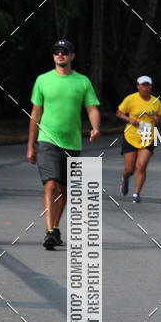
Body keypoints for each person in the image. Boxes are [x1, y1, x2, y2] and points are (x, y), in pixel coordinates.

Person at [27, 40, 100, 250]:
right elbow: (35, 114)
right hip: (47, 140)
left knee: (64, 190)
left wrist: (95, 127)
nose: (60, 55)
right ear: (53, 56)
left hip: (72, 143)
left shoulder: (82, 82)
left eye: (65, 52)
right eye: (57, 52)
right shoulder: (43, 80)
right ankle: (49, 231)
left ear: (72, 56)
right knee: (51, 184)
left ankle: (56, 227)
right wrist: (30, 145)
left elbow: (92, 108)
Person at [116, 76, 161, 202]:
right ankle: (125, 179)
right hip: (131, 136)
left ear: (151, 87)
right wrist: (129, 119)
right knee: (129, 169)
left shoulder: (156, 102)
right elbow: (119, 112)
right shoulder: (131, 99)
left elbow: (160, 115)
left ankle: (137, 193)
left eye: (148, 85)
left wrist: (157, 119)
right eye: (143, 84)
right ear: (138, 86)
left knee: (141, 166)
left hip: (147, 136)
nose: (146, 87)